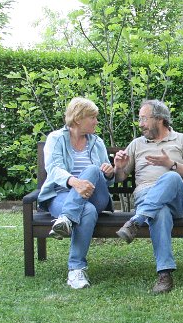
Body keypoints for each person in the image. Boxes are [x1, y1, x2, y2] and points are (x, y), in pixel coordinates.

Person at [112, 100, 183, 294]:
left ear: (160, 119)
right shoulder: (137, 144)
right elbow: (120, 178)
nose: (140, 124)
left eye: (144, 119)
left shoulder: (182, 140)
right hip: (146, 196)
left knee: (171, 177)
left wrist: (171, 164)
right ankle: (164, 275)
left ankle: (137, 220)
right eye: (140, 119)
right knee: (160, 212)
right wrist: (118, 167)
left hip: (177, 198)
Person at [37, 97, 115, 289]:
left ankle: (66, 219)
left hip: (96, 196)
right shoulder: (56, 138)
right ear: (78, 119)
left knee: (93, 170)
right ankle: (76, 270)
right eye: (92, 117)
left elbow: (108, 180)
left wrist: (109, 172)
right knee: (87, 211)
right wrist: (75, 182)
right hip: (60, 195)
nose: (96, 121)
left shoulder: (97, 142)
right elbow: (53, 168)